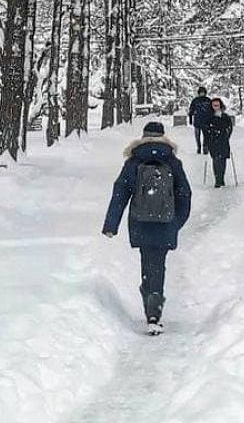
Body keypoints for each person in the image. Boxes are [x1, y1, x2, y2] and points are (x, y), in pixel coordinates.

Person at [102, 121, 192, 335]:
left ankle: (150, 304)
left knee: (147, 263)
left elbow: (120, 193)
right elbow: (185, 194)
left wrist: (111, 224)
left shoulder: (134, 161)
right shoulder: (173, 162)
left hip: (141, 222)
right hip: (165, 223)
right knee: (158, 264)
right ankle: (155, 309)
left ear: (143, 136)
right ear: (163, 136)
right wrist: (176, 222)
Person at [202, 97, 234, 188]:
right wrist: (207, 140)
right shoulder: (209, 117)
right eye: (214, 105)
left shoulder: (225, 116)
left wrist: (227, 136)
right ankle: (217, 179)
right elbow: (205, 129)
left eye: (217, 105)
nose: (216, 107)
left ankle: (221, 178)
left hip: (223, 141)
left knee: (223, 160)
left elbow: (229, 128)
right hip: (213, 141)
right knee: (216, 159)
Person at [187, 86, 212, 154]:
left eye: (203, 92)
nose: (202, 94)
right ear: (198, 93)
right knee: (197, 136)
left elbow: (211, 111)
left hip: (206, 121)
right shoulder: (195, 100)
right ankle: (198, 146)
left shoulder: (208, 100)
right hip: (197, 121)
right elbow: (191, 109)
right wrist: (190, 118)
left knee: (206, 136)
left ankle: (205, 147)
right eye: (201, 92)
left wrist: (212, 119)